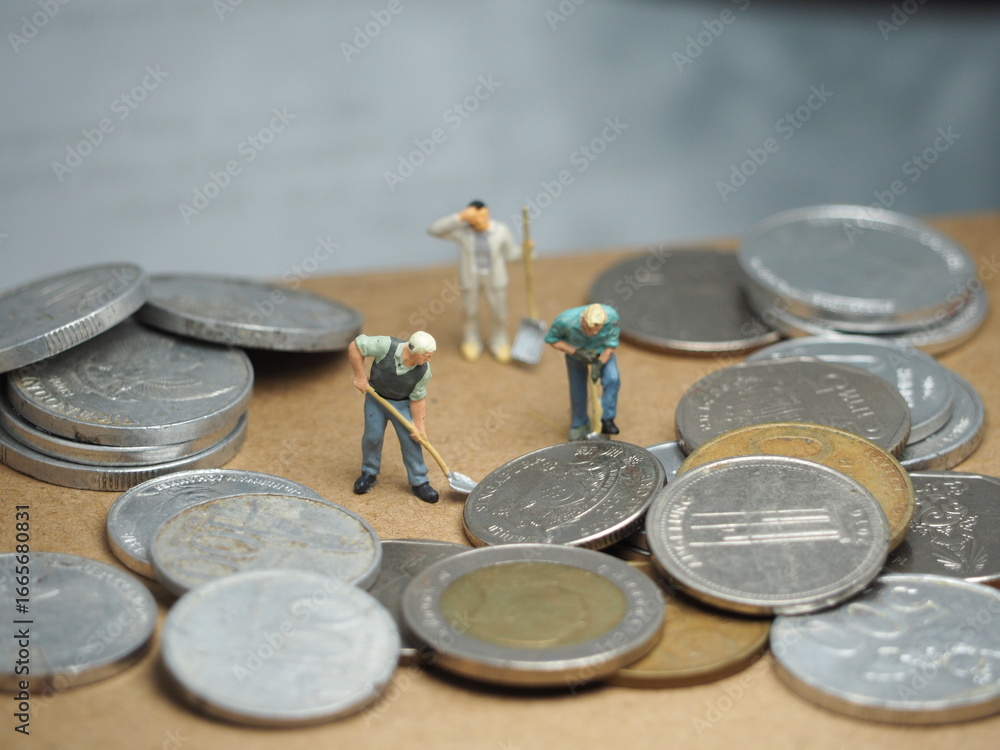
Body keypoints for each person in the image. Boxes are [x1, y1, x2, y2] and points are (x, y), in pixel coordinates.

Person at [348, 330, 439, 503]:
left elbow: (418, 400)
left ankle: (419, 481)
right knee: (372, 437)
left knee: (411, 441)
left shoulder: (423, 371)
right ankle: (369, 472)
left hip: (402, 405)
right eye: (426, 356)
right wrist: (360, 376)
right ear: (413, 351)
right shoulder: (386, 346)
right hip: (376, 400)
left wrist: (419, 427)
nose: (429, 360)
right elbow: (355, 346)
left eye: (430, 356)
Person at [427, 201, 522, 363]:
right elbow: (434, 230)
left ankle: (499, 341)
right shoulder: (463, 233)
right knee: (469, 311)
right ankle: (471, 340)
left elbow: (510, 253)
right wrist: (460, 217)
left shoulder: (501, 230)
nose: (480, 221)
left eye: (483, 216)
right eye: (475, 217)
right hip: (471, 277)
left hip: (495, 277)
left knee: (499, 311)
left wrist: (525, 251)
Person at [544, 303, 621, 441]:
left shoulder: (612, 318)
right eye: (590, 329)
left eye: (598, 330)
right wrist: (576, 352)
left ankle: (606, 421)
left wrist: (599, 364)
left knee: (613, 379)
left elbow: (611, 345)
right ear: (583, 319)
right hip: (576, 356)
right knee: (577, 388)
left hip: (602, 353)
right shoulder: (564, 321)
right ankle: (579, 424)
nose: (594, 333)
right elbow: (552, 340)